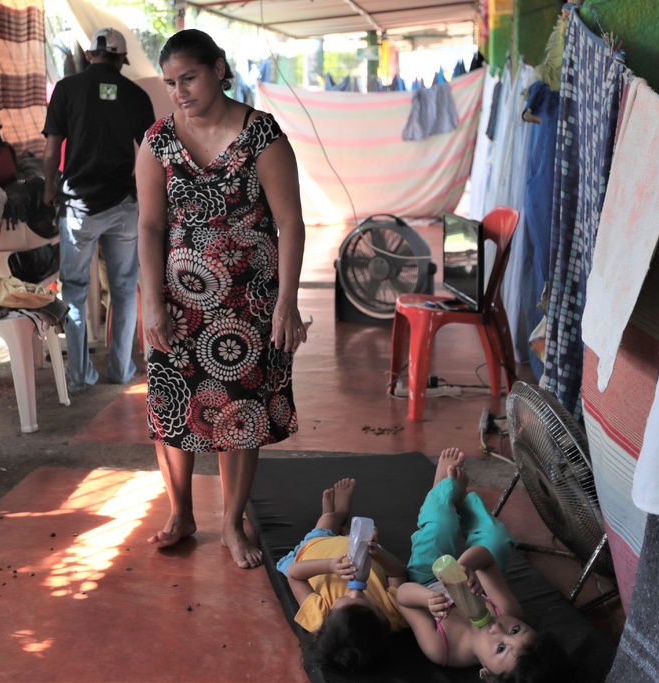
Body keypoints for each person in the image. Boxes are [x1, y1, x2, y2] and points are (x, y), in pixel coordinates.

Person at [135, 29, 307, 569]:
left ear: (218, 69)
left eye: (188, 77)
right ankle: (181, 513)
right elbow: (149, 226)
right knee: (172, 404)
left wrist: (286, 301)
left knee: (240, 409)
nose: (179, 91)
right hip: (177, 304)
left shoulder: (262, 135)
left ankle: (232, 523)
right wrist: (152, 302)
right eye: (170, 83)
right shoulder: (157, 141)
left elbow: (290, 222)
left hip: (247, 302)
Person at [398, 449, 578, 682]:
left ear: (487, 675)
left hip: (425, 579)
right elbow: (486, 559)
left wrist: (427, 599)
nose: (498, 629)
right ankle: (462, 504)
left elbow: (402, 597)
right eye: (516, 630)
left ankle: (441, 491)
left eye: (500, 649)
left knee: (440, 526)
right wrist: (464, 568)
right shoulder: (508, 612)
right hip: (473, 578)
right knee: (497, 540)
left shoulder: (441, 648)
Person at [42, 27, 155, 393]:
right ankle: (120, 370)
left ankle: (79, 376)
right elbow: (153, 153)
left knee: (74, 291)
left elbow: (51, 152)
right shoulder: (136, 95)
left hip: (78, 207)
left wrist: (49, 189)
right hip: (123, 205)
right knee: (123, 289)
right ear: (122, 59)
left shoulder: (66, 90)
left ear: (89, 55)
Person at [276, 479, 408, 673]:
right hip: (360, 551)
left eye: (343, 597)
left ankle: (337, 513)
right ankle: (342, 523)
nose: (355, 591)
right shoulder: (393, 614)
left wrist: (329, 565)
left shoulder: (318, 617)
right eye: (367, 601)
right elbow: (398, 573)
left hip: (318, 549)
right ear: (381, 620)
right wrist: (376, 553)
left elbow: (294, 575)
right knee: (351, 532)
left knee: (328, 520)